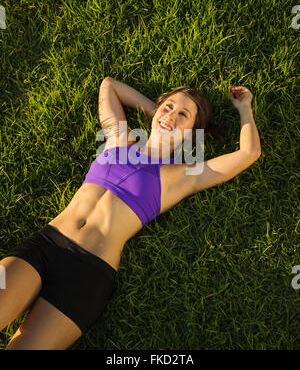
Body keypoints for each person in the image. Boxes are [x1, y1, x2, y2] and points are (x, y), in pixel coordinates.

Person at [0, 77, 261, 350]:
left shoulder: (181, 176)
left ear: (194, 131)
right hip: (45, 246)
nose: (172, 115)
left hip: (87, 276)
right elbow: (108, 86)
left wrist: (245, 108)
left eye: (183, 114)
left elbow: (249, 152)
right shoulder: (117, 139)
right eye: (168, 106)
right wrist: (158, 114)